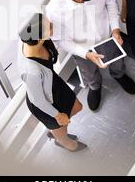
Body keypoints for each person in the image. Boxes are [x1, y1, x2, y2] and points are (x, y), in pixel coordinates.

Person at [46, 0, 135, 112]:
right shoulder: (54, 10)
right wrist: (86, 54)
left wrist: (115, 30)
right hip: (82, 48)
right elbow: (60, 40)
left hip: (107, 37)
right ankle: (95, 87)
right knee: (88, 72)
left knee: (118, 62)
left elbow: (111, 4)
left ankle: (119, 75)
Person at [18, 13, 87, 152]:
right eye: (49, 26)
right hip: (44, 101)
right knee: (61, 122)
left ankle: (56, 130)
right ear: (40, 36)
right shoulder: (31, 70)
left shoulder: (37, 40)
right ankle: (63, 140)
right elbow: (37, 100)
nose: (52, 26)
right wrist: (57, 115)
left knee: (77, 107)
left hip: (54, 85)